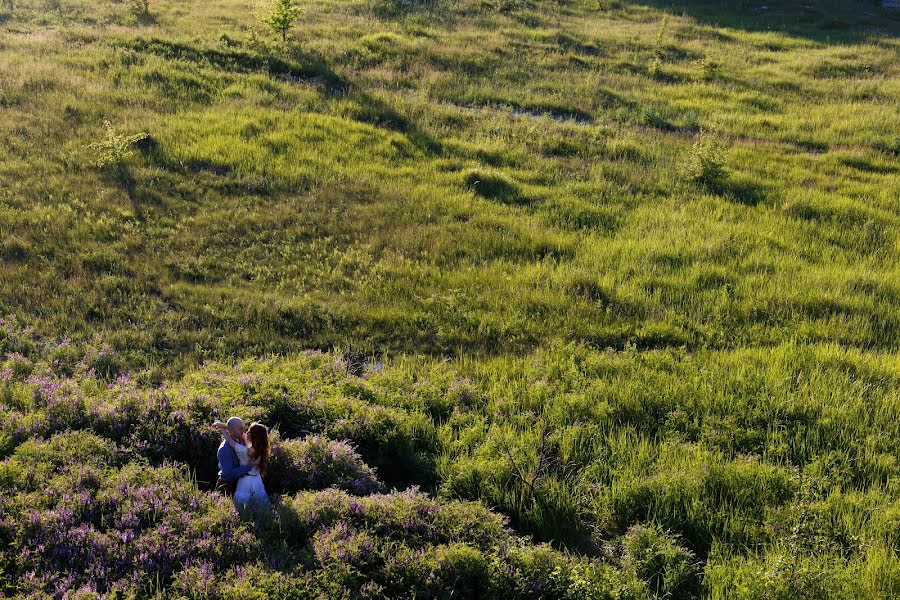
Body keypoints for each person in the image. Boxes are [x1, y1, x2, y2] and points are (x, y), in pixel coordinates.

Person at [212, 418, 270, 507]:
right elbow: (227, 475)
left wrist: (222, 428)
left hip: (244, 480)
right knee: (253, 504)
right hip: (229, 483)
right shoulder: (225, 449)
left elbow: (232, 438)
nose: (244, 432)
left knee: (243, 504)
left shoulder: (245, 445)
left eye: (245, 429)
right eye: (241, 429)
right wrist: (222, 425)